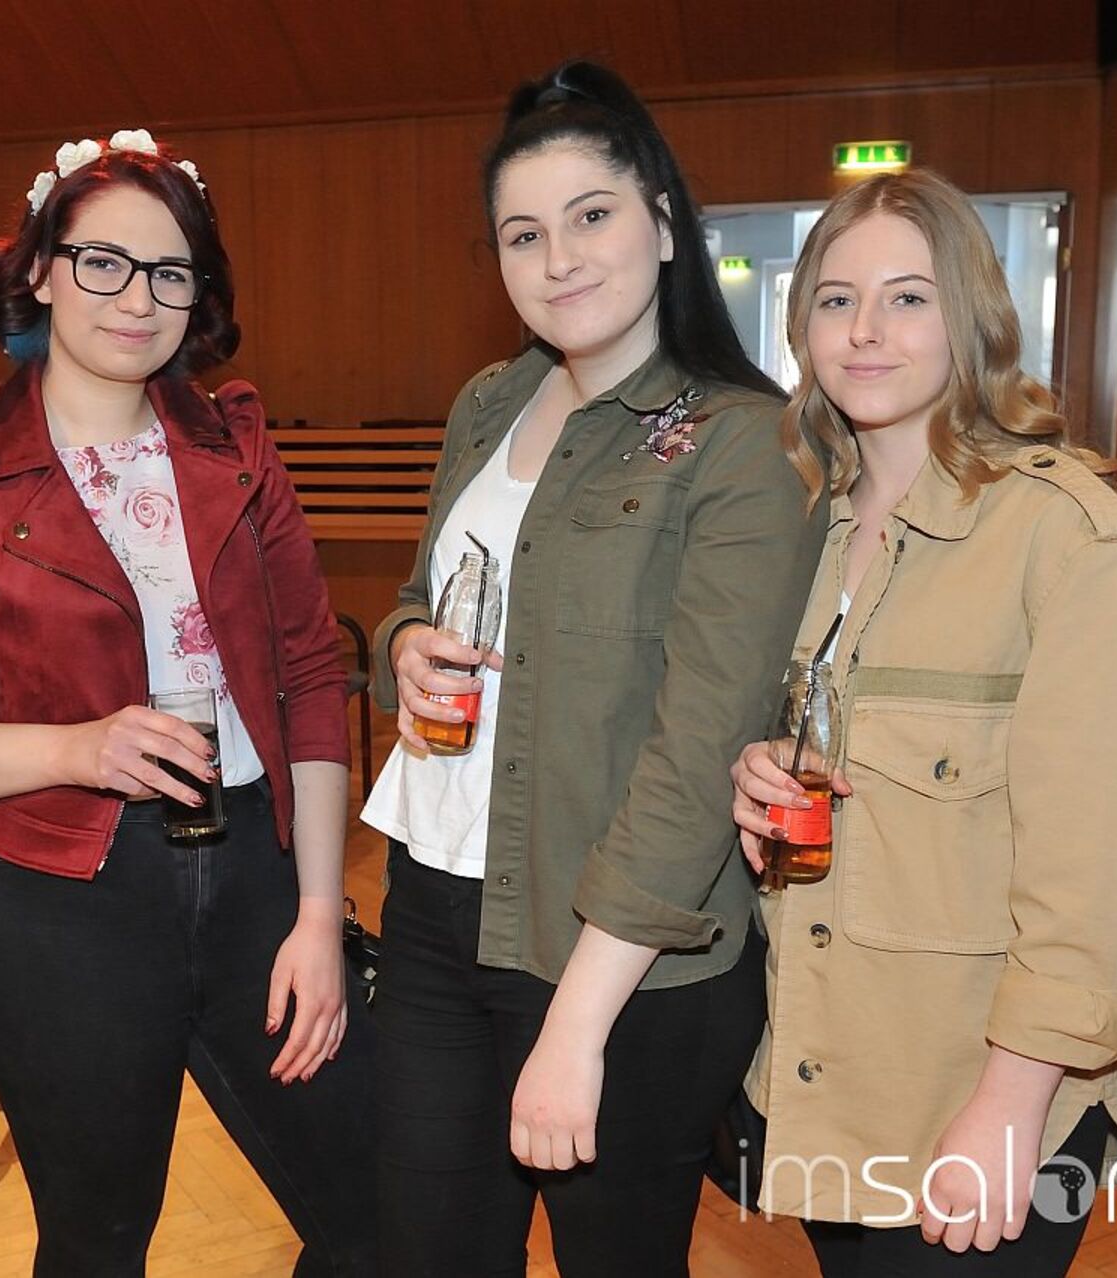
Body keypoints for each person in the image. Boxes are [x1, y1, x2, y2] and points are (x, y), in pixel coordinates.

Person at [0, 129, 377, 1276]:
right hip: (65, 912)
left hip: (257, 883)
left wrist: (315, 914)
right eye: (103, 262)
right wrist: (77, 750)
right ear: (42, 270)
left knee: (378, 1218)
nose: (138, 298)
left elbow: (310, 676)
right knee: (96, 1246)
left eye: (170, 272)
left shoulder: (238, 442)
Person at [361, 60, 826, 1276]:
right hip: (432, 906)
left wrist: (575, 1026)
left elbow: (698, 755)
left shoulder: (742, 443)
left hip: (616, 953)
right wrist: (405, 648)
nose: (558, 258)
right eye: (524, 234)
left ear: (662, 225)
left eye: (591, 215)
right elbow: (418, 599)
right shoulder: (488, 402)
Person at [728, 168, 1117, 1276]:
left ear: (972, 319)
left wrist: (1009, 1109)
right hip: (834, 1072)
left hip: (974, 1104)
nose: (866, 330)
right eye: (837, 300)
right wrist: (760, 771)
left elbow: (1102, 871)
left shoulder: (1069, 540)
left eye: (908, 298)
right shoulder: (809, 530)